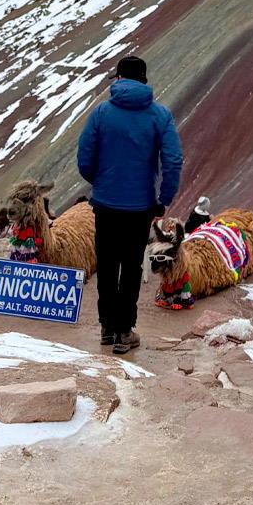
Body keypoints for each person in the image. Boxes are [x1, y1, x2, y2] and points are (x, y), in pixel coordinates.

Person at [77, 55, 182, 356]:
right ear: (143, 79)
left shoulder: (101, 112)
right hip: (140, 207)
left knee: (107, 265)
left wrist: (99, 181)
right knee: (132, 267)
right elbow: (173, 160)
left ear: (120, 78)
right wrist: (164, 199)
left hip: (105, 204)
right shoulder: (159, 115)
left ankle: (107, 328)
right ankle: (125, 331)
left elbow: (85, 155)